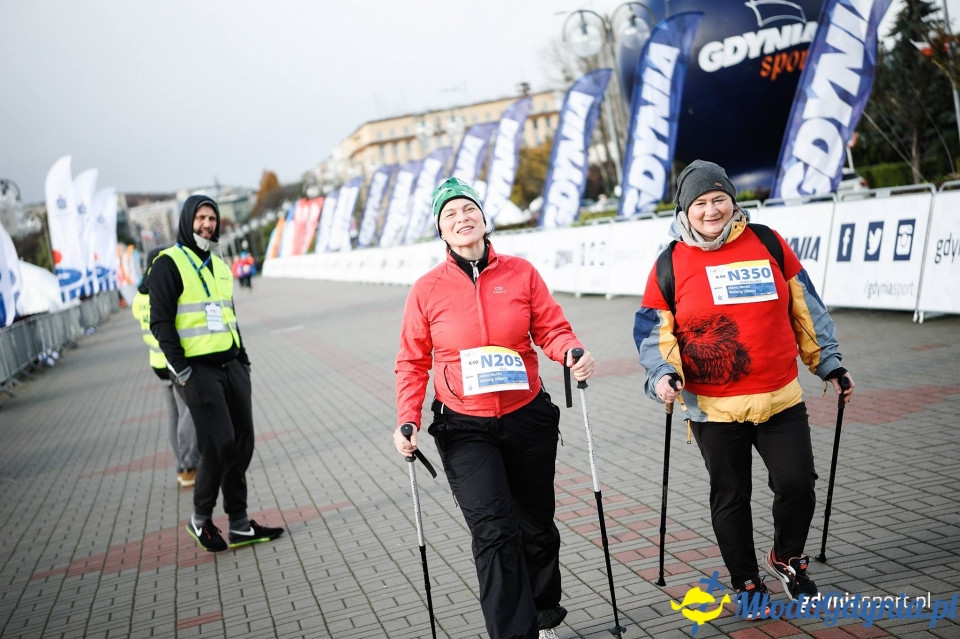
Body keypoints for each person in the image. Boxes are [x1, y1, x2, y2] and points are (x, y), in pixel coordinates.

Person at [633, 160, 856, 609]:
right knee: (731, 496)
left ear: (733, 201)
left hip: (780, 398)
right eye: (700, 203)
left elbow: (805, 309)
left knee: (796, 484)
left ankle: (787, 558)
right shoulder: (669, 264)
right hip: (715, 409)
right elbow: (655, 332)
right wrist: (663, 375)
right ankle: (746, 579)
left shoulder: (768, 242)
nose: (711, 210)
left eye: (719, 199)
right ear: (685, 210)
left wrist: (828, 364)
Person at [393, 177, 596, 639]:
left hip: (526, 416)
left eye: (469, 210)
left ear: (484, 219)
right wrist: (408, 418)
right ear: (441, 232)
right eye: (450, 215)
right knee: (493, 532)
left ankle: (544, 613)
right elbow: (411, 361)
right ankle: (513, 633)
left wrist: (571, 351)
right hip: (465, 426)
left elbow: (551, 328)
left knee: (536, 525)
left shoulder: (521, 272)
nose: (461, 219)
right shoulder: (426, 289)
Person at [150, 194, 284, 552]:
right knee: (219, 443)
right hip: (196, 371)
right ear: (186, 221)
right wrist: (181, 369)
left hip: (232, 366)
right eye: (200, 218)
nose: (207, 224)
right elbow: (160, 322)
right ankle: (201, 518)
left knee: (242, 443)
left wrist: (243, 360)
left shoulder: (219, 265)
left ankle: (239, 525)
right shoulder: (169, 263)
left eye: (212, 218)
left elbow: (229, 316)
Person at [132, 247, 199, 488]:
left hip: (155, 363)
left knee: (172, 414)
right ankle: (190, 464)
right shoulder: (161, 290)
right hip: (172, 360)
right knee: (188, 411)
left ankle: (180, 466)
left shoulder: (139, 298)